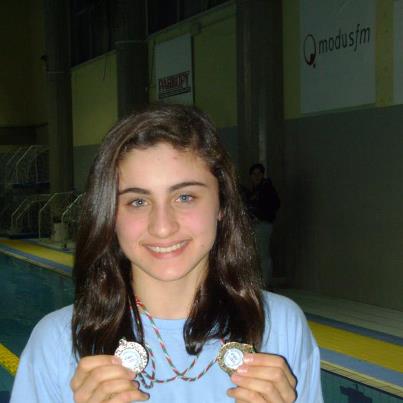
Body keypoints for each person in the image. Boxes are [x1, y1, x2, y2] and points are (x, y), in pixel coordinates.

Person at [10, 104, 323, 402]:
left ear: (222, 203)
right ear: (110, 215)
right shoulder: (57, 343)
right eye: (137, 202)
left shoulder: (279, 327)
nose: (162, 227)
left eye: (185, 197)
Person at [245, 163, 280, 286]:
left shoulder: (266, 188)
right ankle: (261, 283)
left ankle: (264, 283)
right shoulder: (257, 189)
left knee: (263, 255)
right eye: (254, 174)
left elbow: (274, 205)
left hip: (263, 224)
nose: (257, 176)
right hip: (257, 224)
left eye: (259, 174)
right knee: (258, 255)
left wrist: (260, 216)